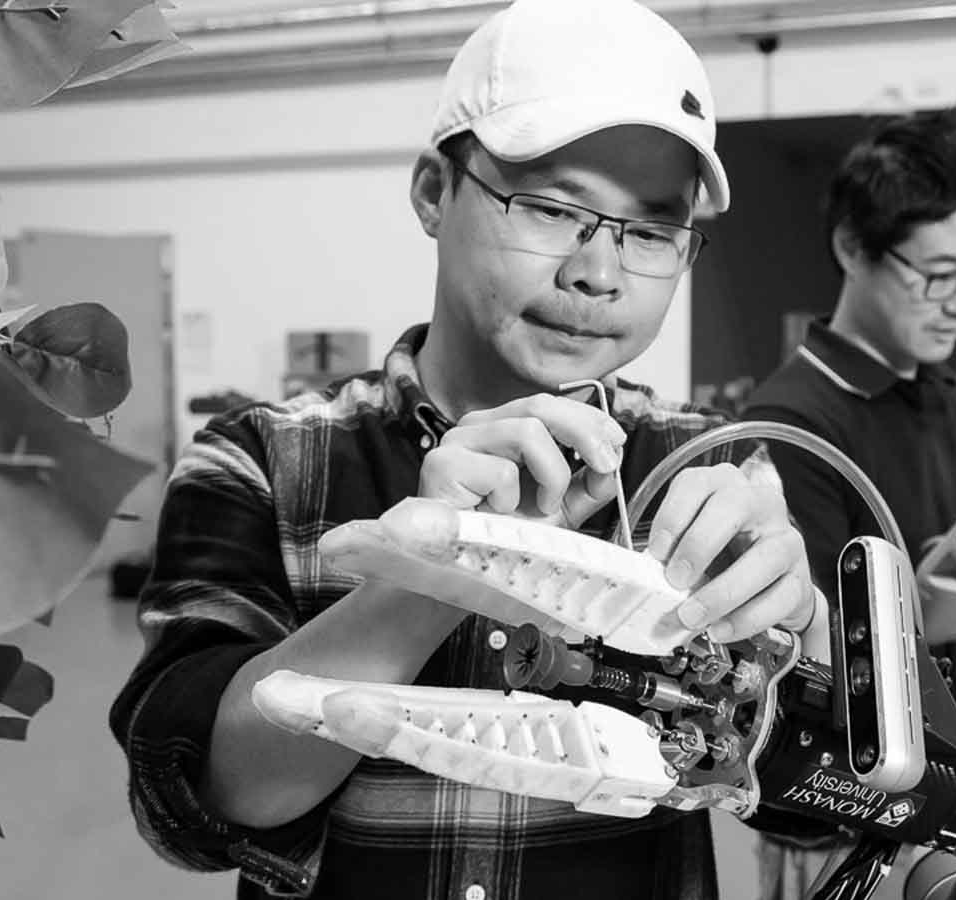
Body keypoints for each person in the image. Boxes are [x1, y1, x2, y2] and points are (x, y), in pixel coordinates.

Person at [108, 2, 822, 898]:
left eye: (649, 231)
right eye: (554, 207)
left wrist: (807, 634)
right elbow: (209, 805)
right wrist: (432, 573)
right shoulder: (261, 460)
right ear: (433, 194)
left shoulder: (704, 470)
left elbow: (810, 807)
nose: (598, 273)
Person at [738, 111, 956, 900]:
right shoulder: (792, 428)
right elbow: (799, 674)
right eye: (938, 273)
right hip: (841, 827)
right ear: (853, 248)